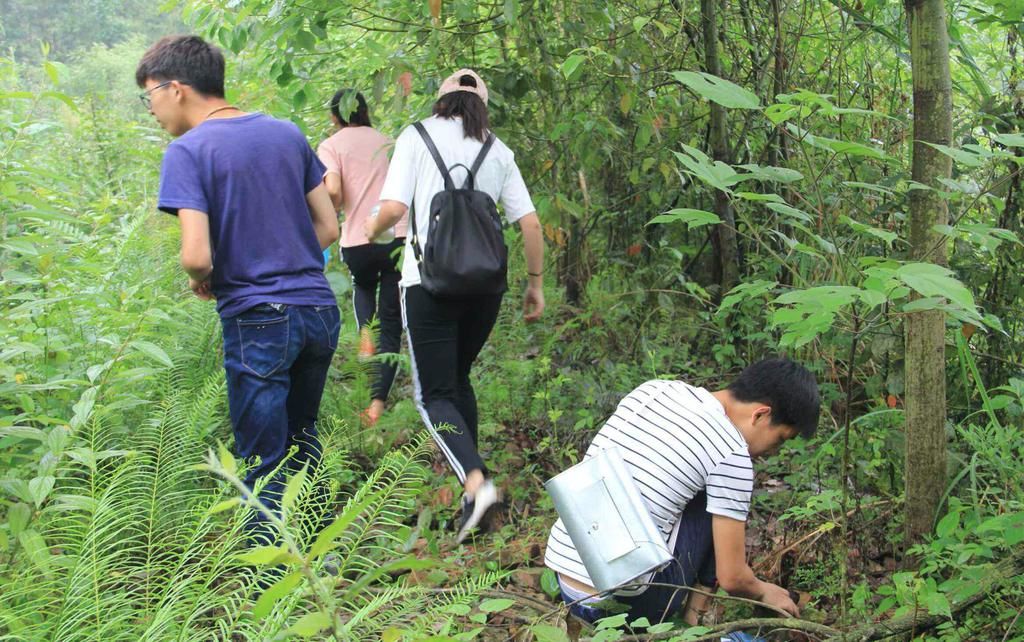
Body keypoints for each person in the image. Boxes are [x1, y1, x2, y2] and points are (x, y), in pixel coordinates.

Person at [137, 35, 341, 544]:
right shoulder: (286, 133)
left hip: (259, 318)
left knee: (262, 453)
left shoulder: (187, 151)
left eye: (150, 96)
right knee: (302, 437)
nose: (152, 110)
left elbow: (196, 254)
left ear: (176, 88)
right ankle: (317, 554)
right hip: (318, 308)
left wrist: (203, 277)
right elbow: (328, 229)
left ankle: (268, 575)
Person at [366, 69, 545, 543]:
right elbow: (529, 224)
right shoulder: (499, 150)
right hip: (485, 288)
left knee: (434, 394)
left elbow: (392, 209)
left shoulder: (416, 137)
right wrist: (535, 284)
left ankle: (475, 480)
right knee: (458, 379)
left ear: (441, 100)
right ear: (483, 105)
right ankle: (474, 487)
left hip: (428, 284)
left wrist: (367, 230)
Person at [544, 358, 820, 624]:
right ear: (760, 414)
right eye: (780, 439)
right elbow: (732, 578)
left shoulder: (654, 390)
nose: (773, 451)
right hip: (626, 603)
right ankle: (695, 617)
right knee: (719, 497)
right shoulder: (731, 452)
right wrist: (763, 591)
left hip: (565, 579)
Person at [317, 89, 406, 427]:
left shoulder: (332, 145)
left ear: (334, 116)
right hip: (395, 234)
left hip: (358, 238)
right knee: (392, 321)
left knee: (363, 286)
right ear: (365, 111)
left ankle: (365, 336)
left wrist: (334, 210)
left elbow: (335, 191)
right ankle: (376, 407)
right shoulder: (388, 141)